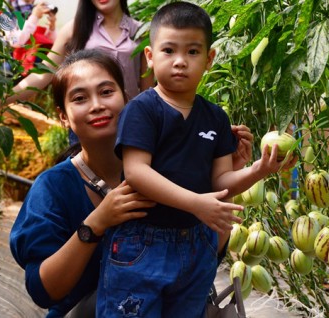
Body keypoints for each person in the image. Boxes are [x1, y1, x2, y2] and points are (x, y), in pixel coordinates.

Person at [9, 49, 255, 317]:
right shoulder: (53, 188)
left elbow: (208, 254)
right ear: (63, 116)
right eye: (80, 98)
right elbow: (43, 290)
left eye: (106, 92)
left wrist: (226, 176)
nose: (96, 105)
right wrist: (96, 224)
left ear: (127, 99)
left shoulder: (173, 173)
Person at [96, 2, 296, 317]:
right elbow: (136, 172)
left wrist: (259, 169)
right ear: (150, 57)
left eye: (192, 52)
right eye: (168, 51)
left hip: (195, 244)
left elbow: (220, 181)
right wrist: (196, 203)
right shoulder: (142, 110)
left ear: (209, 59)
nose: (180, 62)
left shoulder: (215, 117)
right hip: (142, 243)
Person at [0, 0, 154, 111]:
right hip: (89, 124)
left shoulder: (140, 32)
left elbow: (147, 89)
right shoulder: (74, 29)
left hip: (130, 123)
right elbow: (42, 74)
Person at [6, 1, 57, 76]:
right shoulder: (4, 8)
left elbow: (51, 44)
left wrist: (52, 28)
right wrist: (34, 17)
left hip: (33, 61)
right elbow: (14, 41)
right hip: (9, 60)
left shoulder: (35, 8)